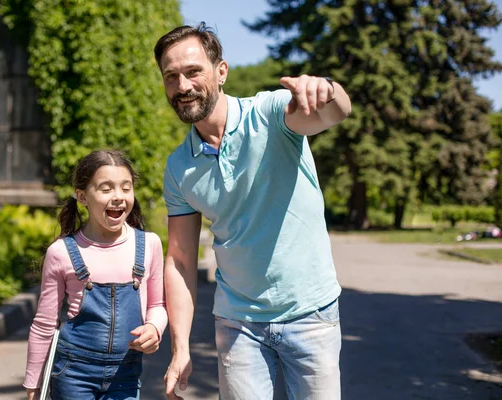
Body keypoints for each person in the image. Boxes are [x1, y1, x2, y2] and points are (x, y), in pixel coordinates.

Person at [154, 23, 352, 400]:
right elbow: (180, 260)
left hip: (310, 313)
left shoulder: (270, 112)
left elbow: (333, 114)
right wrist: (180, 348)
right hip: (237, 324)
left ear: (221, 72)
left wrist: (325, 88)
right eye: (171, 77)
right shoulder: (179, 167)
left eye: (193, 71)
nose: (182, 86)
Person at [23, 150, 168, 400]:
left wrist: (155, 328)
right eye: (106, 189)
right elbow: (44, 324)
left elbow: (157, 305)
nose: (118, 197)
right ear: (82, 197)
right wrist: (34, 385)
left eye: (126, 188)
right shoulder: (61, 252)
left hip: (126, 373)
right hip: (73, 373)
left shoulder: (149, 245)